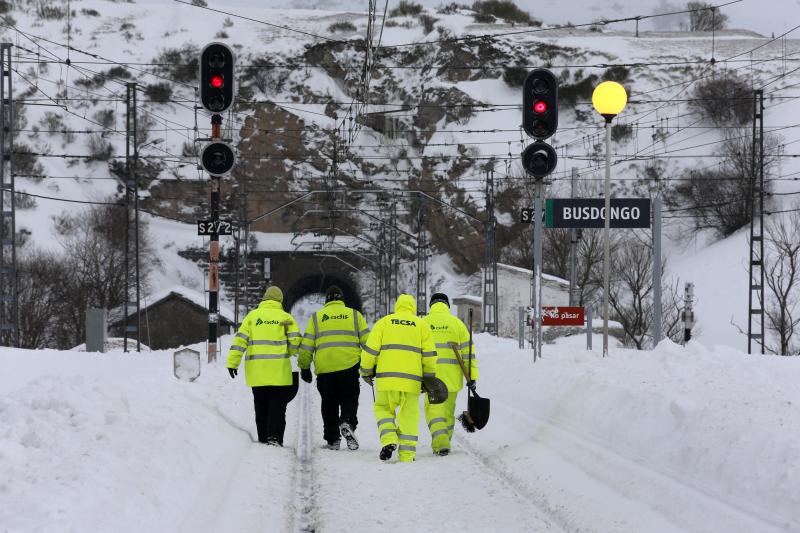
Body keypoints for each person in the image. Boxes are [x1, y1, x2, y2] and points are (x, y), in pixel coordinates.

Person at [360, 293, 437, 463]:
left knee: (383, 409)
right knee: (409, 416)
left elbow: (370, 351)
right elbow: (430, 356)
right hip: (412, 382)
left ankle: (389, 440)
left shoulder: (384, 322)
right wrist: (429, 379)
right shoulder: (421, 325)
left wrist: (366, 372)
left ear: (397, 307)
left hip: (386, 380)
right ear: (413, 308)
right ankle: (407, 456)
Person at [226, 285, 301, 446]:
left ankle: (263, 437)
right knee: (277, 406)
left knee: (260, 404)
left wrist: (233, 362)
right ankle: (275, 437)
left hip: (257, 372)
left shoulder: (252, 317)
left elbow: (240, 341)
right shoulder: (286, 318)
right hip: (279, 371)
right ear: (280, 300)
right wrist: (289, 351)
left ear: (265, 299)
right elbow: (295, 341)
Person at [298, 285, 370, 451]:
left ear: (327, 301)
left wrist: (305, 368)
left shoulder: (317, 318)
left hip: (325, 371)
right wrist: (371, 365)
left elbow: (307, 345)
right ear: (342, 299)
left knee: (328, 404)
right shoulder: (354, 316)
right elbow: (368, 343)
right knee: (349, 399)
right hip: (349, 367)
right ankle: (348, 422)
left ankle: (332, 440)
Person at [422, 293, 478, 456]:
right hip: (452, 379)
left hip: (431, 378)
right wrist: (472, 376)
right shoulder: (457, 324)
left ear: (431, 304)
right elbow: (469, 354)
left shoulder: (424, 323)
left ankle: (441, 444)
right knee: (447, 413)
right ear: (447, 305)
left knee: (434, 412)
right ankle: (445, 441)